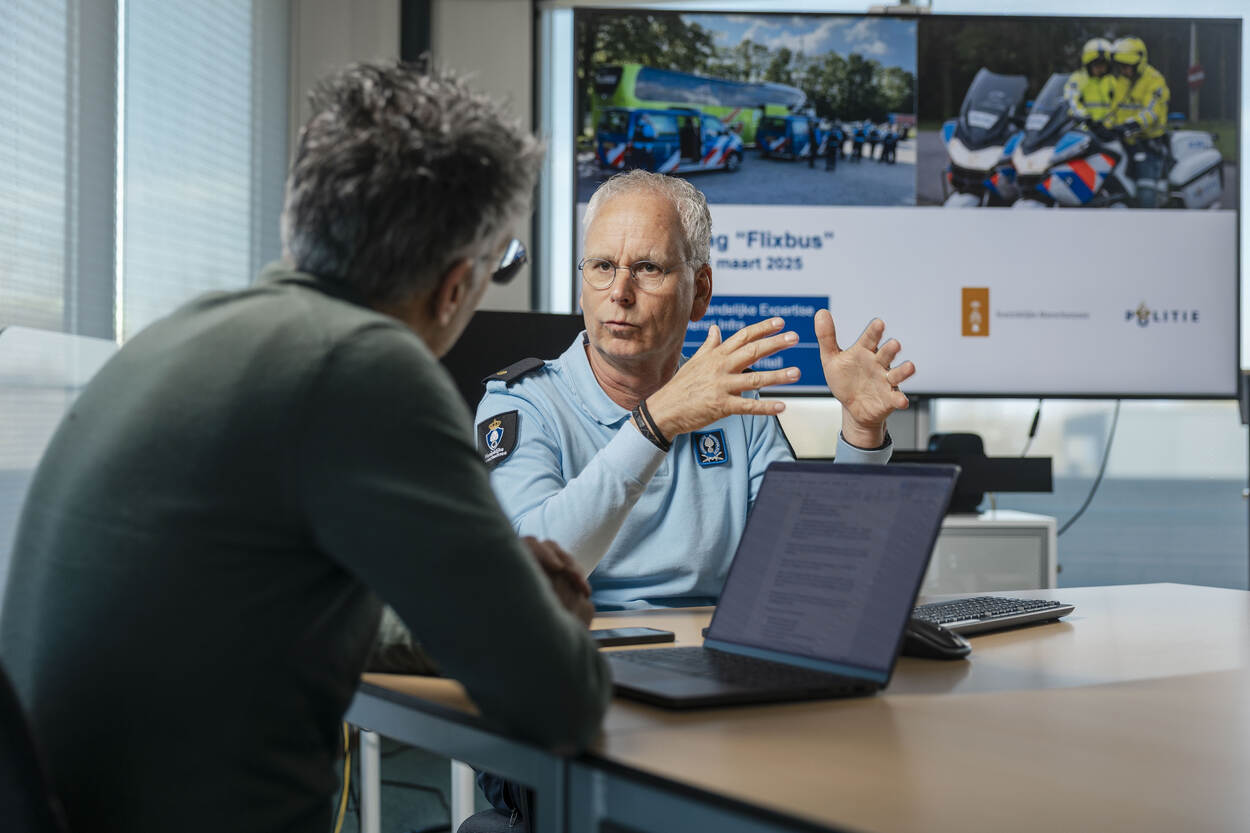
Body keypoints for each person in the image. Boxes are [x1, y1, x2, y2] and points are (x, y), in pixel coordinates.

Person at [0, 62, 610, 833]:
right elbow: (559, 700)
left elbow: (281, 604)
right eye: (501, 265)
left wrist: (488, 601)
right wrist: (549, 621)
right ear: (456, 286)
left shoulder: (177, 336)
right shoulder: (364, 364)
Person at [471, 168, 912, 823]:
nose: (618, 292)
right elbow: (531, 569)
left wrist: (861, 431)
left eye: (647, 267)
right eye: (600, 266)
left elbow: (817, 578)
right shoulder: (522, 406)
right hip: (575, 700)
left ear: (700, 290)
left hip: (715, 695)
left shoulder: (733, 409)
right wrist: (657, 423)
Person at [1103, 36, 1171, 208]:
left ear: (1139, 63)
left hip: (1148, 142)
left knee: (1145, 191)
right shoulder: (1123, 82)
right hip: (1125, 140)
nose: (1124, 70)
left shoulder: (1155, 80)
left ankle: (1148, 220)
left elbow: (1152, 111)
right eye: (1121, 66)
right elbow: (1114, 110)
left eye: (1127, 66)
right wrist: (1104, 126)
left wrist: (1133, 124)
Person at [1063, 37, 1123, 123]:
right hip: (1084, 128)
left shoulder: (1111, 80)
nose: (1100, 68)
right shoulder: (1078, 78)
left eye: (1103, 64)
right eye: (1096, 64)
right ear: (1089, 64)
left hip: (1106, 128)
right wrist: (1086, 119)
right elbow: (1071, 101)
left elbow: (1119, 105)